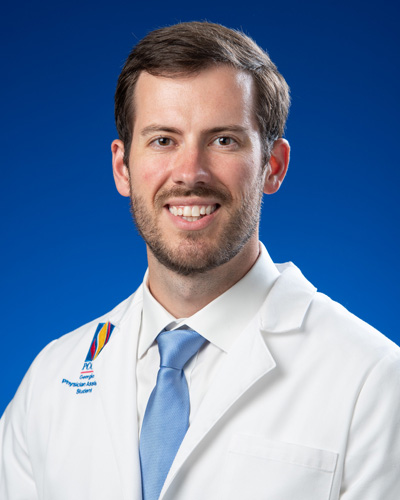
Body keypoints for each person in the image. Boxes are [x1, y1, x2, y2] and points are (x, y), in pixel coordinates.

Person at [1, 21, 399, 500]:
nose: (190, 174)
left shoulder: (374, 381)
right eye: (163, 140)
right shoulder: (50, 380)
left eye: (224, 140)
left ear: (273, 166)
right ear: (122, 167)